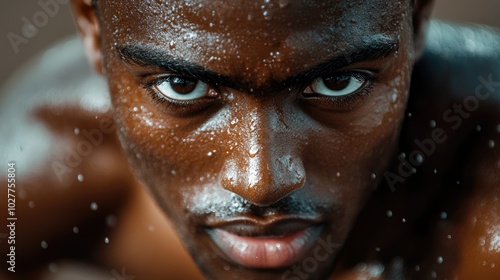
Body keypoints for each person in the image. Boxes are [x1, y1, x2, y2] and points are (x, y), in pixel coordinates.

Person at [1, 0, 499, 279]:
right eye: (183, 86)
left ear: (414, 20)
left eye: (336, 84)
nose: (262, 183)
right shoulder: (35, 166)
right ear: (92, 28)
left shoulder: (485, 206)